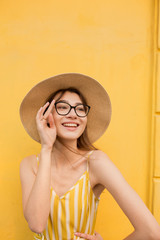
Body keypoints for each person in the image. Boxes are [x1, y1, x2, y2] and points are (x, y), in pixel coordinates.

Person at [19, 73, 160, 240]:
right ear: (46, 115)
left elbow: (152, 232)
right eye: (63, 107)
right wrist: (46, 147)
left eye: (80, 109)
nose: (73, 114)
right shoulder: (30, 165)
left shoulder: (96, 162)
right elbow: (36, 224)